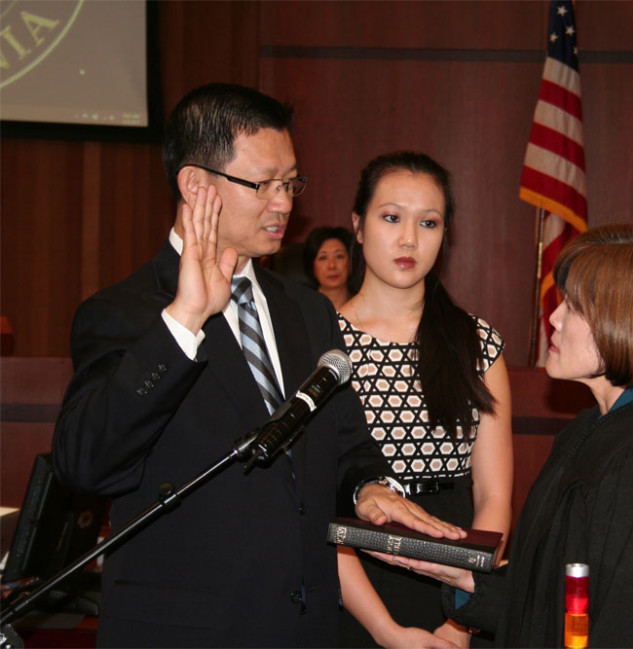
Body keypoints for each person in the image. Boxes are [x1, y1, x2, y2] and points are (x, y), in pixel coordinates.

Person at [50, 84, 460, 648]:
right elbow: (86, 464)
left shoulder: (306, 309)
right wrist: (184, 320)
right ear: (196, 185)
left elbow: (344, 442)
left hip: (306, 629)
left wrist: (368, 486)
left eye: (290, 183)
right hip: (188, 634)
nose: (285, 203)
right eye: (263, 184)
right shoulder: (124, 314)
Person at [373, 224, 633, 647]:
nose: (555, 318)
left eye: (575, 306)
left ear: (631, 324)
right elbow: (560, 603)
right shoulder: (591, 431)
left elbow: (628, 629)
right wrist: (465, 576)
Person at [335, 151, 513, 649]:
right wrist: (384, 630)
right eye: (391, 217)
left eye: (428, 222)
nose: (409, 238)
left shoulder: (476, 343)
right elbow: (315, 504)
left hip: (455, 585)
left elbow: (494, 496)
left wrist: (460, 622)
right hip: (353, 586)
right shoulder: (320, 343)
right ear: (358, 225)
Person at [303, 225, 354, 308]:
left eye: (339, 256)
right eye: (323, 258)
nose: (332, 265)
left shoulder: (365, 307)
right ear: (311, 264)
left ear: (350, 261)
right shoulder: (300, 308)